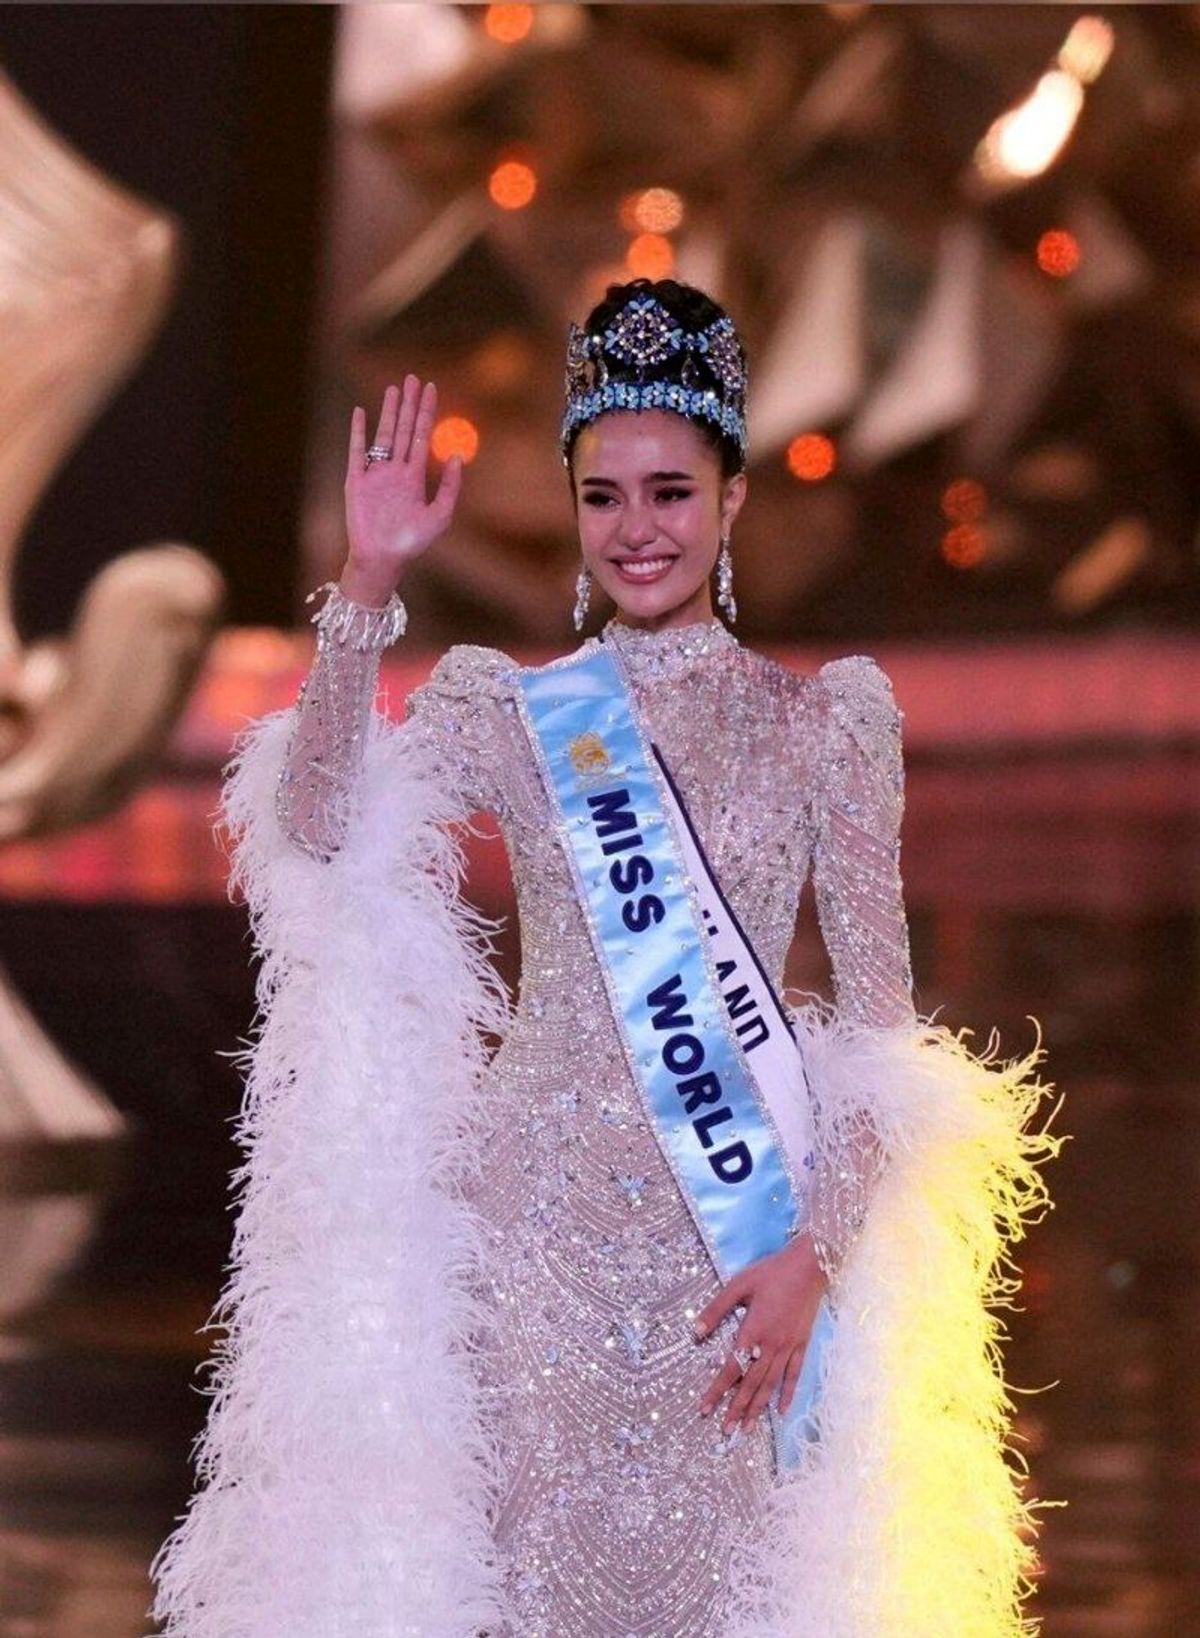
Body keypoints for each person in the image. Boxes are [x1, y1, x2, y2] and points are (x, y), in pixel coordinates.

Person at [150, 278, 1063, 1637]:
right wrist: (370, 578)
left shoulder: (825, 724)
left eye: (672, 493)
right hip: (533, 1242)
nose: (638, 529)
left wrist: (812, 1262)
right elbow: (320, 826)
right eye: (605, 496)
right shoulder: (513, 707)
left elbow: (884, 1046)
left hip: (741, 1243)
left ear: (733, 499)